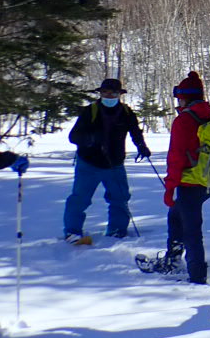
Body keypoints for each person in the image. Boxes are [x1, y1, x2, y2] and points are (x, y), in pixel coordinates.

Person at [63, 77, 150, 244]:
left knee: (120, 198)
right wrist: (91, 139)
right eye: (105, 92)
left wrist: (141, 146)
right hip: (89, 164)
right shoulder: (90, 111)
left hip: (115, 164)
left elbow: (135, 132)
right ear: (100, 93)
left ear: (119, 94)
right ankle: (72, 232)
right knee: (80, 199)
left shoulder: (126, 112)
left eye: (113, 93)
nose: (109, 96)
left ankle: (117, 230)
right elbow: (73, 136)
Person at [160, 71, 210, 283]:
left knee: (191, 228)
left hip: (191, 181)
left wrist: (170, 188)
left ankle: (197, 276)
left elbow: (176, 157)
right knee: (176, 215)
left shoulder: (184, 121)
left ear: (184, 97)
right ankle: (172, 259)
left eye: (179, 97)